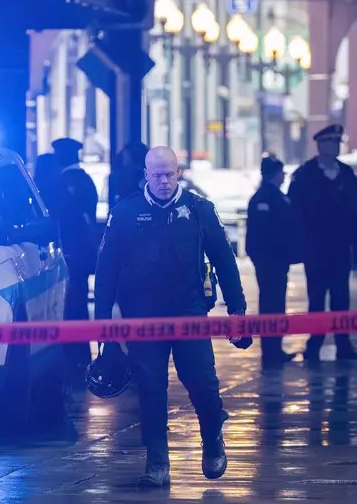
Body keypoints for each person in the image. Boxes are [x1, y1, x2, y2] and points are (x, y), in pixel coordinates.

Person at [94, 146, 248, 487]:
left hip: (190, 313)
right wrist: (102, 326)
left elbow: (225, 260)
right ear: (145, 176)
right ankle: (157, 463)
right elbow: (105, 271)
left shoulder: (198, 210)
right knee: (150, 389)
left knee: (202, 382)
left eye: (170, 174)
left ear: (178, 173)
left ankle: (212, 438)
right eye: (157, 175)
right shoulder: (125, 213)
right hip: (143, 319)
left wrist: (238, 311)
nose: (164, 181)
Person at [288, 124, 357, 361]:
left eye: (337, 142)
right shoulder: (305, 174)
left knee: (341, 297)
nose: (335, 146)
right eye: (331, 142)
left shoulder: (346, 173)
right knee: (317, 298)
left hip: (340, 247)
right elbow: (295, 212)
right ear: (320, 145)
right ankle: (315, 344)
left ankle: (344, 344)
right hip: (316, 247)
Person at [246, 154, 303, 367]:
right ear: (276, 174)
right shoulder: (264, 198)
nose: (283, 177)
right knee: (271, 303)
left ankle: (275, 348)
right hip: (271, 260)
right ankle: (270, 350)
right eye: (282, 173)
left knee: (276, 303)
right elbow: (265, 233)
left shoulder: (274, 196)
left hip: (277, 260)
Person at [51, 137, 100, 371]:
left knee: (75, 302)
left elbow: (70, 218)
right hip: (79, 251)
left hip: (73, 251)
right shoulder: (82, 179)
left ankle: (77, 355)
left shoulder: (69, 181)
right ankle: (79, 353)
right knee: (77, 300)